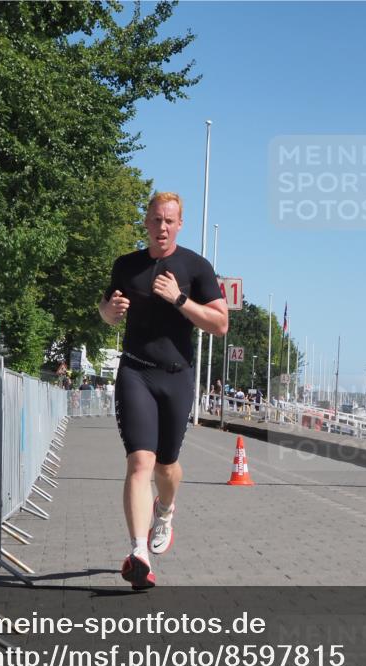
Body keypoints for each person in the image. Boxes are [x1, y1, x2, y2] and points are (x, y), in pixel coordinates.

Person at [98, 192, 228, 590]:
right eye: (156, 220)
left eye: (169, 220)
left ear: (180, 223)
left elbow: (220, 324)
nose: (162, 227)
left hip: (177, 376)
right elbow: (105, 310)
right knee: (140, 462)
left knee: (165, 466)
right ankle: (139, 553)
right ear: (146, 223)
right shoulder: (127, 266)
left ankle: (166, 509)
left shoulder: (196, 267)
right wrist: (108, 314)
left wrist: (179, 299)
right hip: (135, 371)